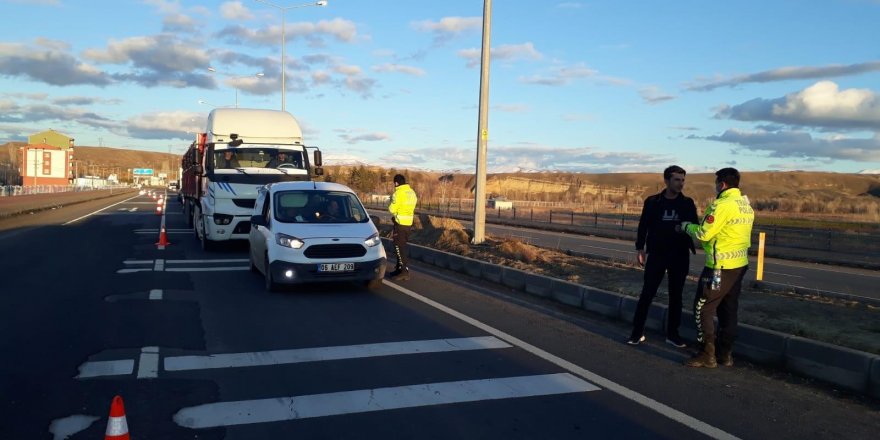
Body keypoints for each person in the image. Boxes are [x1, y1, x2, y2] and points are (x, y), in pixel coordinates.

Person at [681, 167, 754, 368]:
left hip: (719, 267)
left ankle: (707, 354)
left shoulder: (720, 205)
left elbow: (704, 233)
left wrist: (686, 226)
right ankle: (725, 354)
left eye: (716, 184)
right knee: (728, 309)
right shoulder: (745, 205)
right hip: (739, 266)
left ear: (722, 184)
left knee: (703, 308)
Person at [628, 165, 698, 348]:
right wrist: (640, 248)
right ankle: (637, 333)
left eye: (683, 180)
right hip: (657, 254)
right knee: (647, 293)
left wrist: (685, 228)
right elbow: (643, 225)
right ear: (667, 181)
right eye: (677, 180)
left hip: (679, 255)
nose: (681, 183)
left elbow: (695, 226)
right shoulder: (653, 202)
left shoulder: (687, 203)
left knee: (676, 296)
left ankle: (673, 334)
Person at [388, 174, 417, 281]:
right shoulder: (412, 192)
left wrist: (391, 201)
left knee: (399, 248)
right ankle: (399, 269)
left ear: (396, 183)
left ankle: (404, 271)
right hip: (408, 224)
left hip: (399, 224)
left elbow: (391, 209)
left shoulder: (398, 193)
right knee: (402, 246)